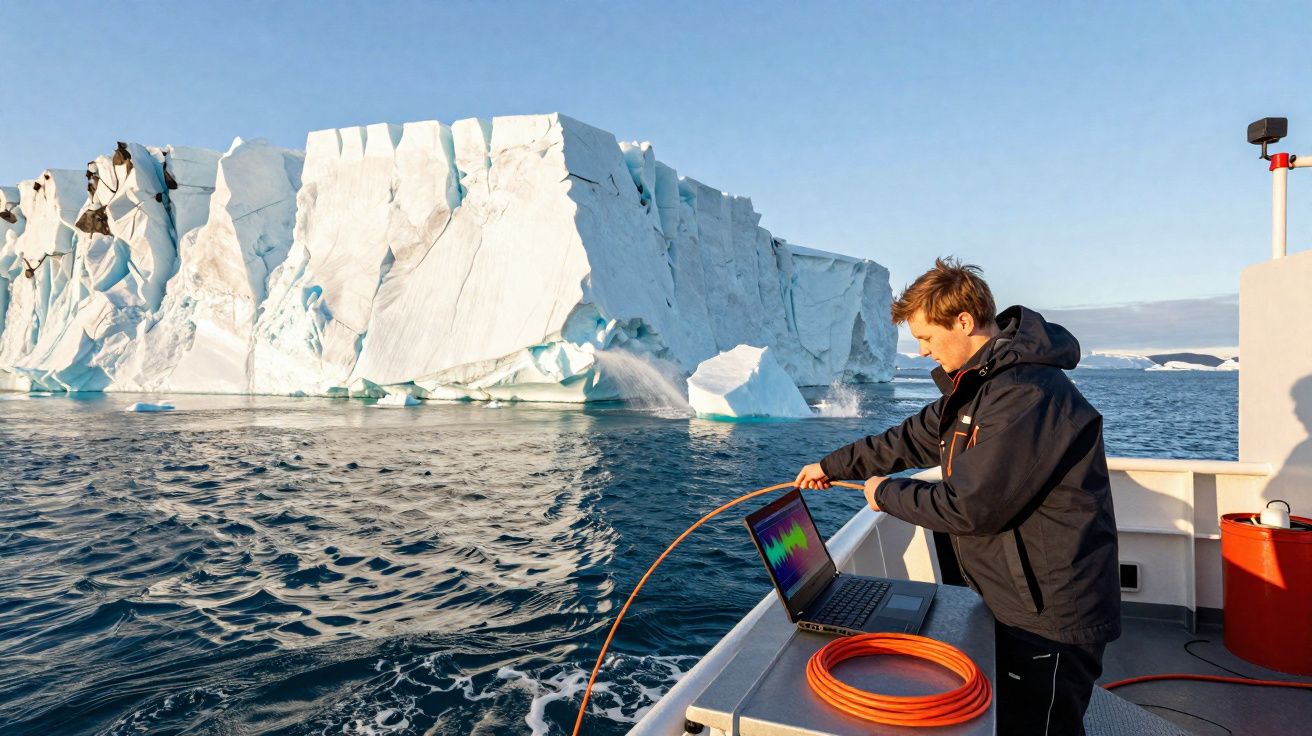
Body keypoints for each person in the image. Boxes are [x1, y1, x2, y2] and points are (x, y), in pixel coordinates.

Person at [795, 257, 1119, 735]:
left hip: (1051, 612)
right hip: (1017, 597)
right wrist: (831, 466)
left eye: (926, 338)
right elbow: (905, 440)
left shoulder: (1024, 393)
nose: (922, 352)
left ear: (964, 322)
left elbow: (969, 507)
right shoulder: (980, 388)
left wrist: (885, 494)